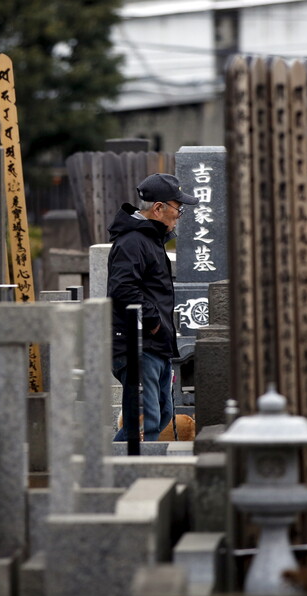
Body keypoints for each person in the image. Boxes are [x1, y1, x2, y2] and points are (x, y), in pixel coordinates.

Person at [108, 173, 199, 441]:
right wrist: (153, 321)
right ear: (158, 208)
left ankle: (119, 467)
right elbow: (122, 289)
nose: (179, 215)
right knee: (145, 420)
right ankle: (125, 474)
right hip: (139, 344)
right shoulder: (133, 241)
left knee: (160, 415)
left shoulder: (149, 239)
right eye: (177, 208)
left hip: (154, 343)